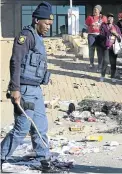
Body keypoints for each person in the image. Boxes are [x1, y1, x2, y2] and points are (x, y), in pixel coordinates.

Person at [1, 2, 60, 173]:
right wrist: (15, 88)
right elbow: (16, 61)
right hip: (24, 90)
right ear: (36, 20)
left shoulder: (38, 38)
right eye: (46, 24)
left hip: (35, 90)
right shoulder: (26, 36)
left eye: (50, 24)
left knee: (40, 126)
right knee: (22, 129)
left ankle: (44, 160)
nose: (48, 27)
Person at [98, 13, 122, 83]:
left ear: (113, 19)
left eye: (111, 18)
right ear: (107, 19)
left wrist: (115, 34)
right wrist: (108, 34)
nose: (110, 19)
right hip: (106, 47)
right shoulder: (104, 26)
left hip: (114, 48)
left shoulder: (116, 27)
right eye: (109, 18)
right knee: (105, 61)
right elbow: (101, 36)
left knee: (113, 63)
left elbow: (120, 38)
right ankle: (102, 76)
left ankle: (113, 77)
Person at [85, 5, 107, 72]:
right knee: (91, 50)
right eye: (94, 9)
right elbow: (86, 25)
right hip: (91, 35)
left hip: (100, 36)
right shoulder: (90, 17)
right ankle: (91, 63)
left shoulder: (103, 17)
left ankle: (99, 66)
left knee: (99, 51)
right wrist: (90, 27)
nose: (94, 11)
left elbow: (106, 26)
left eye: (96, 10)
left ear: (99, 11)